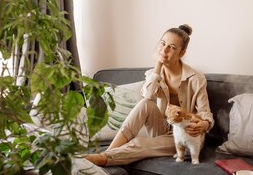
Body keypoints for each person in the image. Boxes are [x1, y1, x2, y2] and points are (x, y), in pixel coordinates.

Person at [86, 24, 214, 166]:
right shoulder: (153, 75)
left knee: (140, 143)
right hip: (162, 128)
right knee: (145, 104)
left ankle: (105, 159)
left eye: (171, 47)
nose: (164, 50)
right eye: (162, 43)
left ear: (181, 53)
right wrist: (158, 65)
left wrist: (204, 124)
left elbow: (205, 112)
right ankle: (107, 153)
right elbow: (148, 95)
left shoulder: (196, 79)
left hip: (184, 136)